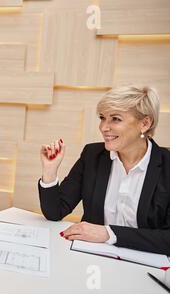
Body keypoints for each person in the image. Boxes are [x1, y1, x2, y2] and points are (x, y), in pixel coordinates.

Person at [38, 85, 170, 255]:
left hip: (146, 267)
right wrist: (50, 171)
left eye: (115, 119)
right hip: (92, 258)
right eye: (102, 118)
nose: (103, 127)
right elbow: (55, 212)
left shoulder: (166, 166)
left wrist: (109, 233)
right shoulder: (92, 155)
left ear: (145, 123)